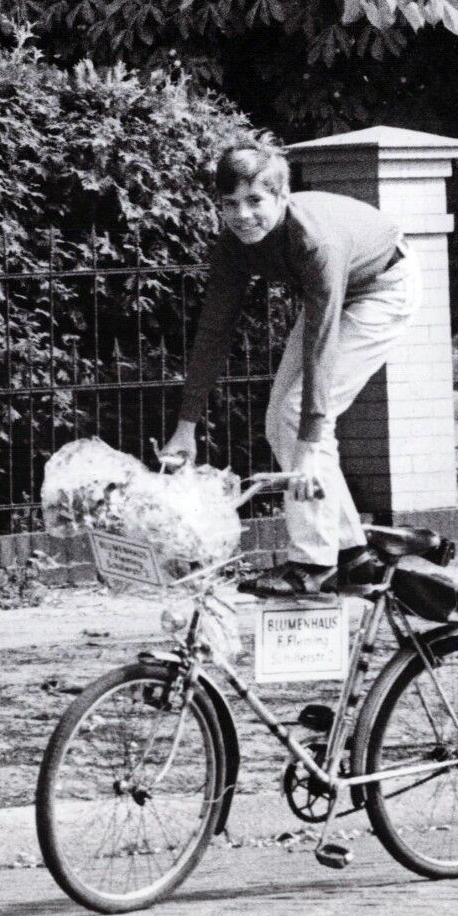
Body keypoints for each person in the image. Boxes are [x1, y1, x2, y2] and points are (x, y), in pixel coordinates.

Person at [157, 134, 422, 595]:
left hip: (384, 287)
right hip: (338, 292)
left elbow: (321, 347)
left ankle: (313, 564)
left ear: (281, 197)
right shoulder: (234, 243)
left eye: (255, 200)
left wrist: (306, 454)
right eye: (230, 203)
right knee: (280, 415)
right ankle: (352, 554)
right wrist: (186, 426)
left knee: (300, 416)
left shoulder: (313, 239)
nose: (243, 215)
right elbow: (214, 331)